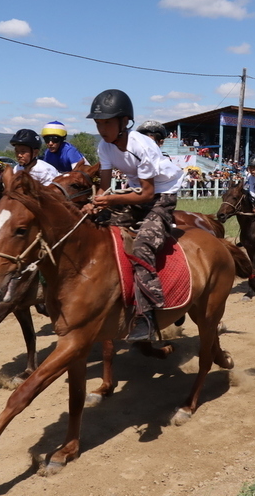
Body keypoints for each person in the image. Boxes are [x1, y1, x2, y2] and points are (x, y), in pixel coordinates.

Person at [87, 88, 184, 342]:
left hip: (161, 194)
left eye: (107, 122)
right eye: (98, 123)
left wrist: (110, 199)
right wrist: (96, 203)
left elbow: (147, 195)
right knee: (97, 225)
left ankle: (148, 315)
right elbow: (105, 187)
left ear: (124, 122)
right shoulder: (104, 147)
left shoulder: (144, 146)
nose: (102, 128)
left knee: (142, 246)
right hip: (137, 191)